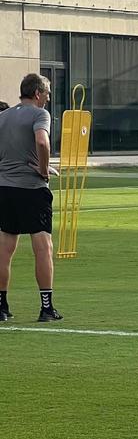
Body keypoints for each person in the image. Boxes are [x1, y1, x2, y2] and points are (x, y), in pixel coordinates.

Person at [0, 73, 63, 322]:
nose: (47, 99)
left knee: (5, 249)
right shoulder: (40, 114)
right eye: (47, 94)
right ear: (38, 93)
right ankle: (46, 307)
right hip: (32, 189)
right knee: (43, 247)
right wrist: (43, 169)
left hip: (5, 189)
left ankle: (1, 306)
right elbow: (42, 142)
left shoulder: (3, 117)